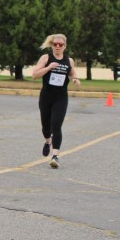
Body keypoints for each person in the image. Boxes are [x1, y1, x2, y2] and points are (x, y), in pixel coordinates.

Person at [32, 33, 80, 169]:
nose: (57, 46)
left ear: (65, 46)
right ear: (52, 45)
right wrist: (48, 67)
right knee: (46, 127)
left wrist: (75, 79)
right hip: (46, 96)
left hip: (61, 97)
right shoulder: (46, 58)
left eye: (60, 45)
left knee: (56, 125)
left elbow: (72, 72)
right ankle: (48, 141)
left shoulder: (69, 60)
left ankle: (55, 156)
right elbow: (34, 75)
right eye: (55, 44)